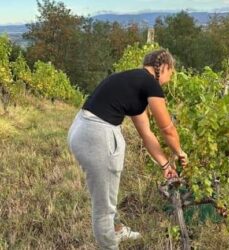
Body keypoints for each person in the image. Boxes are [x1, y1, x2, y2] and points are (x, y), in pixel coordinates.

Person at [67, 49, 188, 249]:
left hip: (81, 129)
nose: (170, 78)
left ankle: (116, 230)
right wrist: (179, 152)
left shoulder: (133, 81)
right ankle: (109, 245)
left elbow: (146, 133)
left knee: (106, 193)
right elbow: (167, 129)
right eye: (171, 73)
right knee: (103, 208)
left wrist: (165, 164)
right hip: (97, 135)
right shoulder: (150, 84)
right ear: (164, 67)